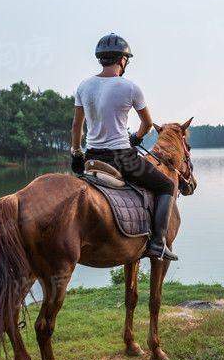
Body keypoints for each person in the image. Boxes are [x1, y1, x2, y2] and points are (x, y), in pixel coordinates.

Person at [70, 33, 178, 261]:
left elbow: (77, 127)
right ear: (122, 60)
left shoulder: (83, 86)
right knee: (166, 185)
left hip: (92, 157)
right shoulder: (130, 88)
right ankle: (158, 243)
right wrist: (136, 139)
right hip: (122, 158)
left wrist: (76, 153)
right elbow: (147, 124)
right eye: (126, 59)